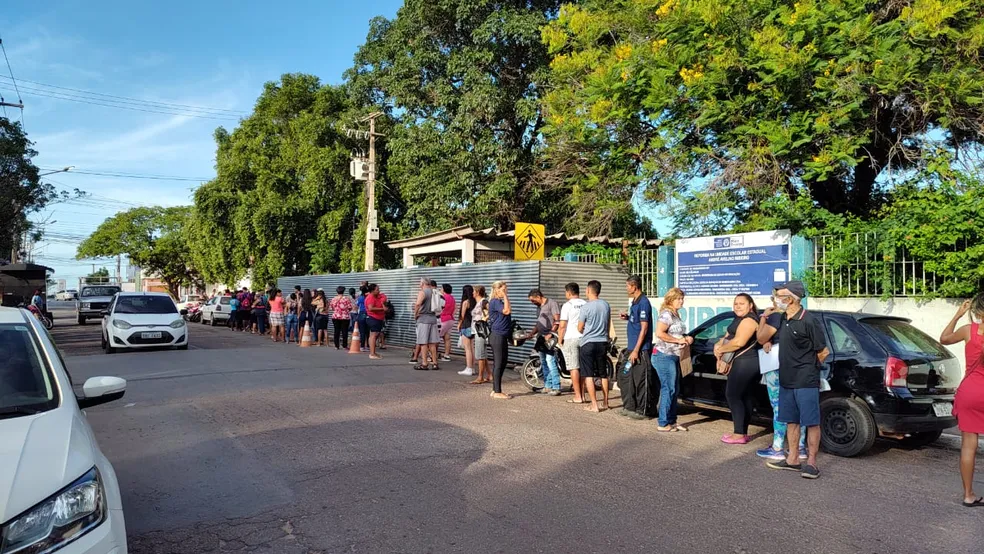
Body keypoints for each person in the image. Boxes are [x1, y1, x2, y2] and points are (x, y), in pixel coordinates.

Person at [766, 281, 829, 479]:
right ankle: (792, 459)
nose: (776, 298)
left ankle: (811, 462)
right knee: (791, 421)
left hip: (805, 381)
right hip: (786, 380)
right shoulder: (783, 318)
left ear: (791, 298)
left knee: (811, 422)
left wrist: (808, 369)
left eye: (780, 294)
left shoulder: (808, 320)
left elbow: (823, 351)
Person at [940, 293, 984, 506]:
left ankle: (968, 495)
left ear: (976, 312)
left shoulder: (969, 331)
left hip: (969, 392)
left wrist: (958, 314)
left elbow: (944, 338)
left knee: (969, 445)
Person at [756, 288, 806, 460]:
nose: (774, 300)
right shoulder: (803, 316)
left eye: (776, 296)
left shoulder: (776, 316)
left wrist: (763, 317)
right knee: (798, 407)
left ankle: (777, 447)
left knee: (779, 406)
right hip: (799, 366)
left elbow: (760, 337)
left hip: (777, 365)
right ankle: (800, 447)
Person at [715, 293, 761, 444]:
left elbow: (739, 342)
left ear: (750, 305)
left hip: (746, 362)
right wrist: (718, 344)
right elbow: (728, 336)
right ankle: (742, 432)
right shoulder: (739, 318)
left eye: (742, 303)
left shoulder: (749, 320)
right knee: (744, 396)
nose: (738, 306)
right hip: (740, 361)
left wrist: (721, 350)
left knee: (733, 395)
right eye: (736, 304)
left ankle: (739, 433)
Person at [653, 287, 692, 432]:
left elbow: (678, 332)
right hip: (664, 355)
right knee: (668, 388)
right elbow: (660, 333)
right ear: (671, 300)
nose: (681, 301)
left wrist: (687, 337)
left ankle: (672, 420)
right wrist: (678, 341)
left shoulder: (676, 314)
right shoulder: (666, 314)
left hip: (675, 355)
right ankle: (663, 422)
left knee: (674, 389)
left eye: (682, 298)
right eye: (678, 299)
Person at [620, 275, 656, 419]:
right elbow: (637, 321)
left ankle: (643, 411)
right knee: (625, 376)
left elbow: (644, 328)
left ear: (634, 286)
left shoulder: (644, 302)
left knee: (642, 381)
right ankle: (630, 406)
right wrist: (628, 318)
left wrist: (636, 350)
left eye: (628, 286)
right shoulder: (635, 302)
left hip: (640, 350)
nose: (626, 288)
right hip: (631, 348)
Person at [578, 280, 611, 412]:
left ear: (588, 290)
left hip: (588, 343)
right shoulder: (605, 305)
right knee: (603, 374)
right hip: (602, 342)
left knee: (588, 374)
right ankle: (605, 402)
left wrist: (585, 330)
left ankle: (594, 404)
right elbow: (608, 324)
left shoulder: (586, 307)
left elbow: (580, 327)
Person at [527, 288, 561, 396]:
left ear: (538, 296)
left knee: (551, 361)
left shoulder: (552, 303)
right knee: (544, 362)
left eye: (533, 300)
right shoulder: (539, 307)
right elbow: (539, 323)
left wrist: (551, 333)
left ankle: (556, 387)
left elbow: (557, 321)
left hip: (550, 338)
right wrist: (532, 333)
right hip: (541, 338)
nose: (532, 303)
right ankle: (547, 385)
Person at [558, 282, 586, 403]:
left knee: (573, 367)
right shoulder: (585, 304)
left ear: (569, 292)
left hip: (571, 338)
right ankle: (583, 395)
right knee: (584, 367)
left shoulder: (567, 305)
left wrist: (560, 340)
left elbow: (563, 325)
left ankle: (578, 396)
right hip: (584, 338)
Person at [488, 281, 513, 399]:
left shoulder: (499, 302)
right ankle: (497, 391)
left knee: (503, 362)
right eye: (504, 289)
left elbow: (508, 310)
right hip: (497, 335)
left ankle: (495, 389)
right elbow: (507, 311)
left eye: (506, 289)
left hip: (502, 335)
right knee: (498, 363)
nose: (506, 291)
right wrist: (505, 296)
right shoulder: (495, 302)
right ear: (497, 290)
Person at [413, 278, 441, 370]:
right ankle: (435, 363)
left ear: (423, 283)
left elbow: (418, 304)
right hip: (433, 318)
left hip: (423, 318)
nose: (419, 285)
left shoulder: (422, 292)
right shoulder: (435, 292)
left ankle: (424, 363)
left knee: (423, 342)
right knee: (432, 342)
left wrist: (416, 314)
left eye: (420, 283)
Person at [470, 286, 491, 384]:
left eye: (474, 291)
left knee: (480, 355)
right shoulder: (479, 303)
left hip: (481, 331)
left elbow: (492, 311)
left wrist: (485, 318)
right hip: (477, 330)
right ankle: (489, 374)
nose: (472, 293)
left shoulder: (484, 302)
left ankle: (480, 377)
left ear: (477, 292)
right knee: (483, 353)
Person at [457, 285, 477, 376]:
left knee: (467, 349)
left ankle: (468, 368)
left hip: (465, 326)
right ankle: (472, 368)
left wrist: (459, 325)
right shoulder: (474, 301)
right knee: (471, 348)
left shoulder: (465, 302)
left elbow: (462, 315)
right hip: (472, 326)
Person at [365, 284, 386, 359]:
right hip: (373, 318)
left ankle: (373, 352)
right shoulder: (370, 297)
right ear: (372, 291)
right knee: (374, 335)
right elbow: (371, 308)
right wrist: (382, 309)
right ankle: (372, 354)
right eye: (377, 289)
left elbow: (383, 297)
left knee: (373, 335)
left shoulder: (375, 296)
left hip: (377, 318)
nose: (379, 291)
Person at [439, 284, 457, 362]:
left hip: (443, 319)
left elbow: (439, 308)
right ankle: (447, 356)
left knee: (435, 338)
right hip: (450, 319)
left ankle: (431, 355)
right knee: (447, 338)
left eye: (441, 288)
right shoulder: (452, 298)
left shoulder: (443, 298)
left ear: (444, 289)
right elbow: (455, 308)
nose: (440, 289)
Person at [357, 286, 370, 352]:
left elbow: (357, 305)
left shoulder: (360, 298)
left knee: (362, 331)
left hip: (361, 314)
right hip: (368, 314)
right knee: (367, 332)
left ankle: (362, 346)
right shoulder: (368, 297)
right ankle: (367, 345)